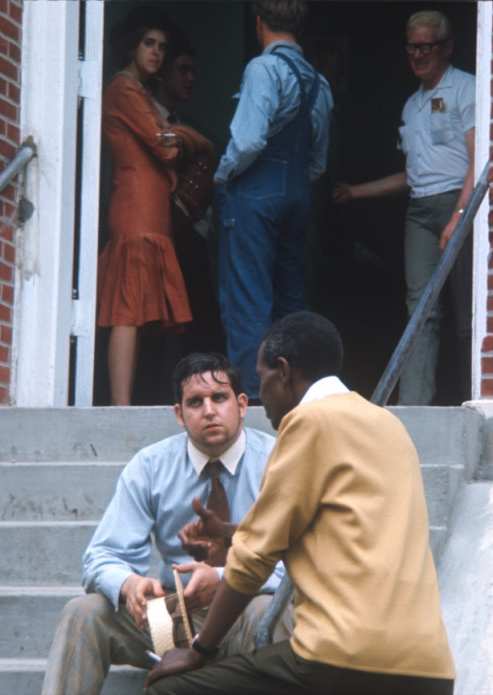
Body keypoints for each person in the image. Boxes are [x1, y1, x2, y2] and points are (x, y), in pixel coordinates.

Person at [145, 312, 455, 695]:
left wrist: (198, 649)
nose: (262, 397)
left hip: (340, 658)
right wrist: (229, 533)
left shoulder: (307, 422)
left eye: (261, 379)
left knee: (169, 690)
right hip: (429, 667)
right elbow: (332, 524)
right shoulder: (387, 425)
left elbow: (254, 559)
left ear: (283, 371)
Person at [41, 353, 292, 695]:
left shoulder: (278, 462)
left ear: (242, 404)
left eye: (219, 398)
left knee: (269, 611)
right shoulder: (151, 466)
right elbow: (101, 556)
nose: (208, 410)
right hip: (171, 617)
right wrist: (129, 584)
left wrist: (223, 580)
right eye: (195, 402)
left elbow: (296, 564)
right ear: (179, 414)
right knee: (83, 612)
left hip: (245, 611)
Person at [332, 10, 476, 405]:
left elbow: (480, 159)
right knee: (421, 314)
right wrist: (354, 192)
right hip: (419, 211)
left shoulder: (467, 88)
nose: (417, 54)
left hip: (457, 205)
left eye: (426, 45)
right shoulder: (412, 105)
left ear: (447, 47)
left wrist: (460, 216)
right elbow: (411, 176)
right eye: (411, 46)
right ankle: (415, 410)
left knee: (468, 319)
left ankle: (474, 403)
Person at [214, 0, 333, 400]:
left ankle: (251, 396)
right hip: (297, 194)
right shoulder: (320, 82)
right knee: (289, 306)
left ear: (259, 23)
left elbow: (248, 140)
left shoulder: (263, 69)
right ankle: (292, 399)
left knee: (248, 301)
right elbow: (317, 162)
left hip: (255, 194)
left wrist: (224, 174)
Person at [97, 7, 212, 405]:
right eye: (149, 43)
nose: (157, 53)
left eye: (162, 47)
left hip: (150, 212)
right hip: (135, 210)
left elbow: (166, 140)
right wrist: (198, 141)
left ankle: (126, 402)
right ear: (131, 46)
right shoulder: (124, 89)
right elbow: (164, 147)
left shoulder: (138, 92)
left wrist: (178, 139)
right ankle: (120, 407)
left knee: (140, 314)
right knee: (128, 312)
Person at [149, 25, 226, 357]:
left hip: (191, 238)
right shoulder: (148, 122)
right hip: (162, 234)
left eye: (193, 70)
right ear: (162, 74)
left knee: (201, 328)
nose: (191, 77)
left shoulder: (187, 124)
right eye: (183, 70)